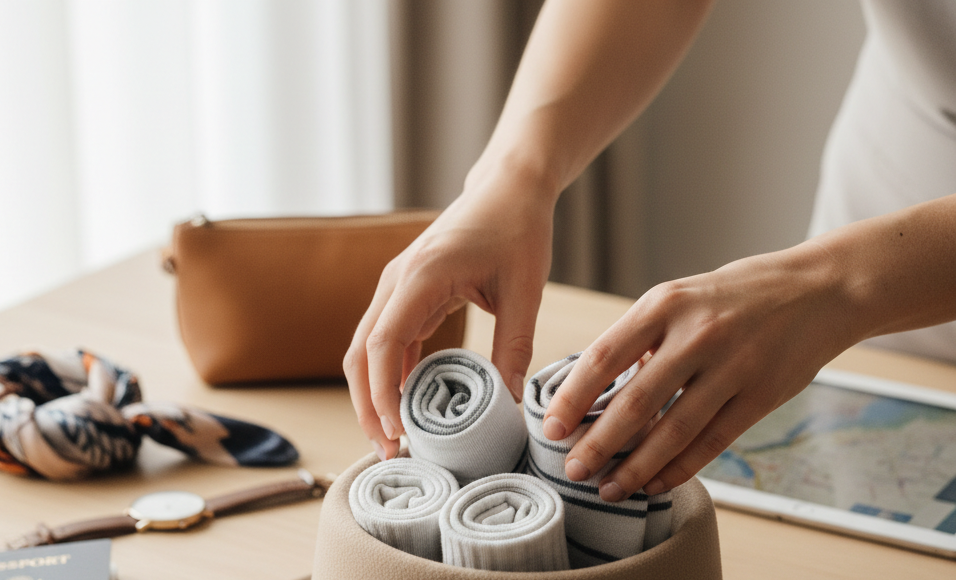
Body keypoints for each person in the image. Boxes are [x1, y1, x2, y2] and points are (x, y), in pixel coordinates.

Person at [344, 0, 956, 504]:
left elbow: (842, 289)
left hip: (877, 269)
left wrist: (837, 287)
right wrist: (517, 173)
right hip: (906, 161)